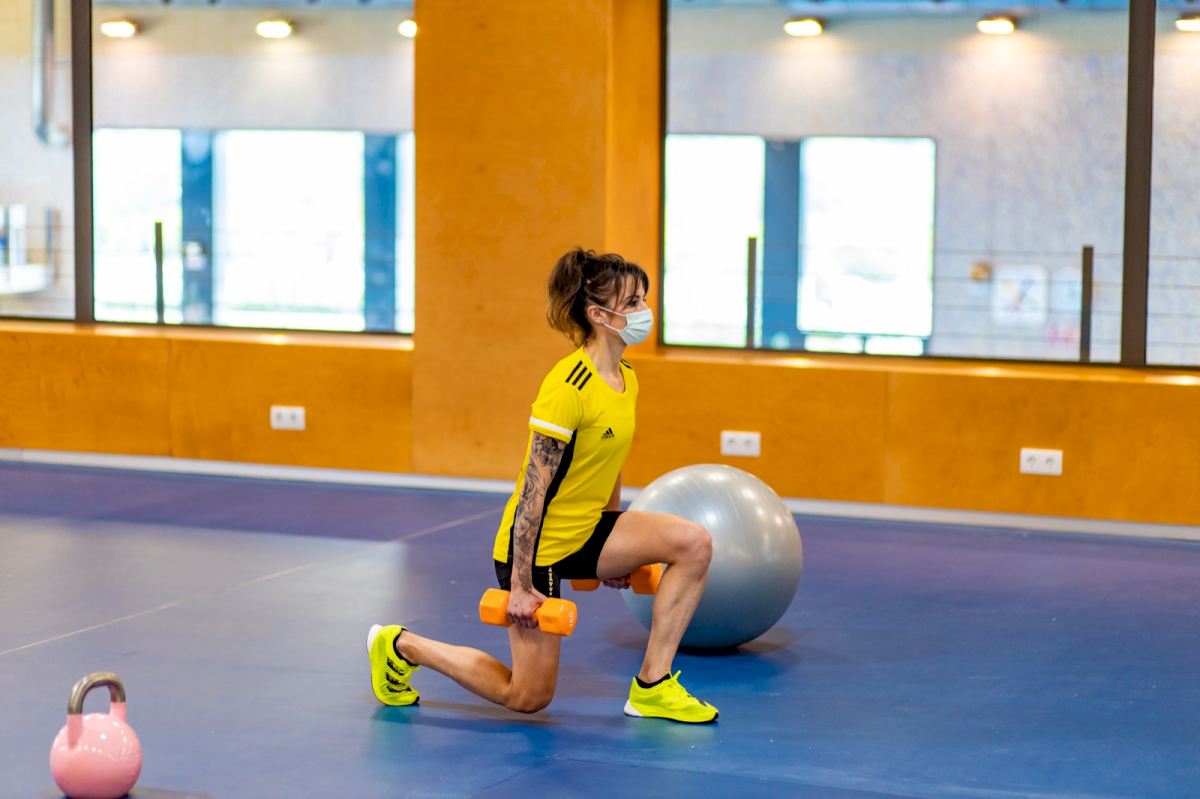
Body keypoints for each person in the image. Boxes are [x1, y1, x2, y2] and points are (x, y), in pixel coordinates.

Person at [367, 247, 717, 723]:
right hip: (536, 551)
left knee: (694, 543)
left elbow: (609, 464)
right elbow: (535, 488)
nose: (644, 312)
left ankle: (652, 687)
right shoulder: (568, 387)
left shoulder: (626, 378)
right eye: (633, 303)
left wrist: (615, 545)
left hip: (587, 529)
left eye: (643, 299)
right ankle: (400, 645)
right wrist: (520, 583)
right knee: (527, 697)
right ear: (598, 315)